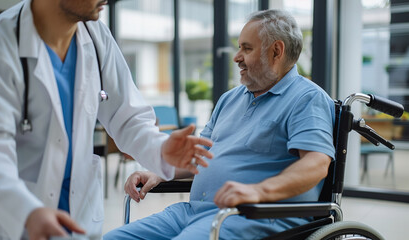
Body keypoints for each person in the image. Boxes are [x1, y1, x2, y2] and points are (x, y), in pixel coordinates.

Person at [0, 0, 213, 239]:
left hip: (77, 215)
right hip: (15, 217)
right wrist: (26, 212)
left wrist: (161, 148)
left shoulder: (96, 36)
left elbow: (129, 116)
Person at [104, 9, 336, 240]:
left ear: (276, 51)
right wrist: (160, 173)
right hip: (192, 212)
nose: (236, 57)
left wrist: (257, 191)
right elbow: (202, 154)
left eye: (247, 48)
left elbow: (316, 164)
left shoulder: (306, 99)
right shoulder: (230, 99)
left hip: (252, 217)